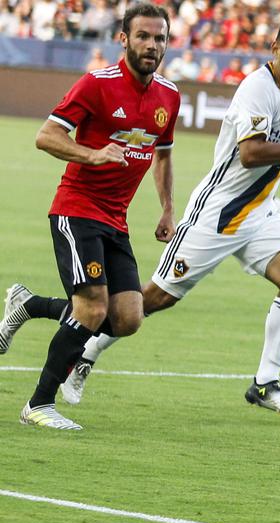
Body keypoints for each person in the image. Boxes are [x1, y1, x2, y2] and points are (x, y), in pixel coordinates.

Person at [61, 16, 280, 415]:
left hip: (260, 214)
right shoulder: (258, 88)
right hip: (218, 215)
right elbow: (250, 153)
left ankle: (265, 383)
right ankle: (86, 353)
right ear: (276, 49)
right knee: (154, 299)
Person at [0, 3, 179, 430]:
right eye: (143, 36)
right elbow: (47, 136)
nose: (152, 45)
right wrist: (93, 154)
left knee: (128, 317)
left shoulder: (169, 96)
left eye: (159, 38)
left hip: (116, 220)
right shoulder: (97, 84)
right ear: (124, 39)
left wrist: (168, 208)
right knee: (92, 309)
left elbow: (163, 154)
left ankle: (28, 304)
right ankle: (38, 404)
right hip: (76, 209)